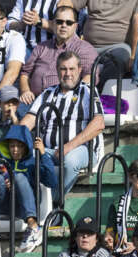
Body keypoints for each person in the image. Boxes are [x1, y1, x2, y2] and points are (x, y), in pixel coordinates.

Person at [20, 51, 104, 196]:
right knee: (22, 157)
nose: (67, 73)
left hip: (80, 150)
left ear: (79, 70)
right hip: (47, 150)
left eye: (72, 69)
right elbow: (28, 121)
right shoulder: (47, 93)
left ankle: (54, 201)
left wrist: (69, 146)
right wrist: (15, 141)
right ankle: (31, 202)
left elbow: (99, 124)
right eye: (63, 69)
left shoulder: (88, 91)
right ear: (57, 70)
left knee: (69, 160)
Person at [0, 124, 58, 247]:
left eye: (19, 146)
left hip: (25, 207)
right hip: (4, 206)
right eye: (12, 146)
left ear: (26, 146)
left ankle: (33, 227)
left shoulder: (32, 163)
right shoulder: (3, 162)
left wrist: (43, 154)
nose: (15, 150)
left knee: (18, 177)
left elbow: (52, 182)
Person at [19, 3, 98, 103]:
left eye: (69, 23)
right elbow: (25, 73)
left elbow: (90, 76)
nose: (64, 25)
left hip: (65, 103)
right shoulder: (41, 47)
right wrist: (25, 91)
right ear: (53, 24)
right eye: (59, 22)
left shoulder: (84, 48)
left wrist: (71, 97)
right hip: (33, 101)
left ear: (75, 26)